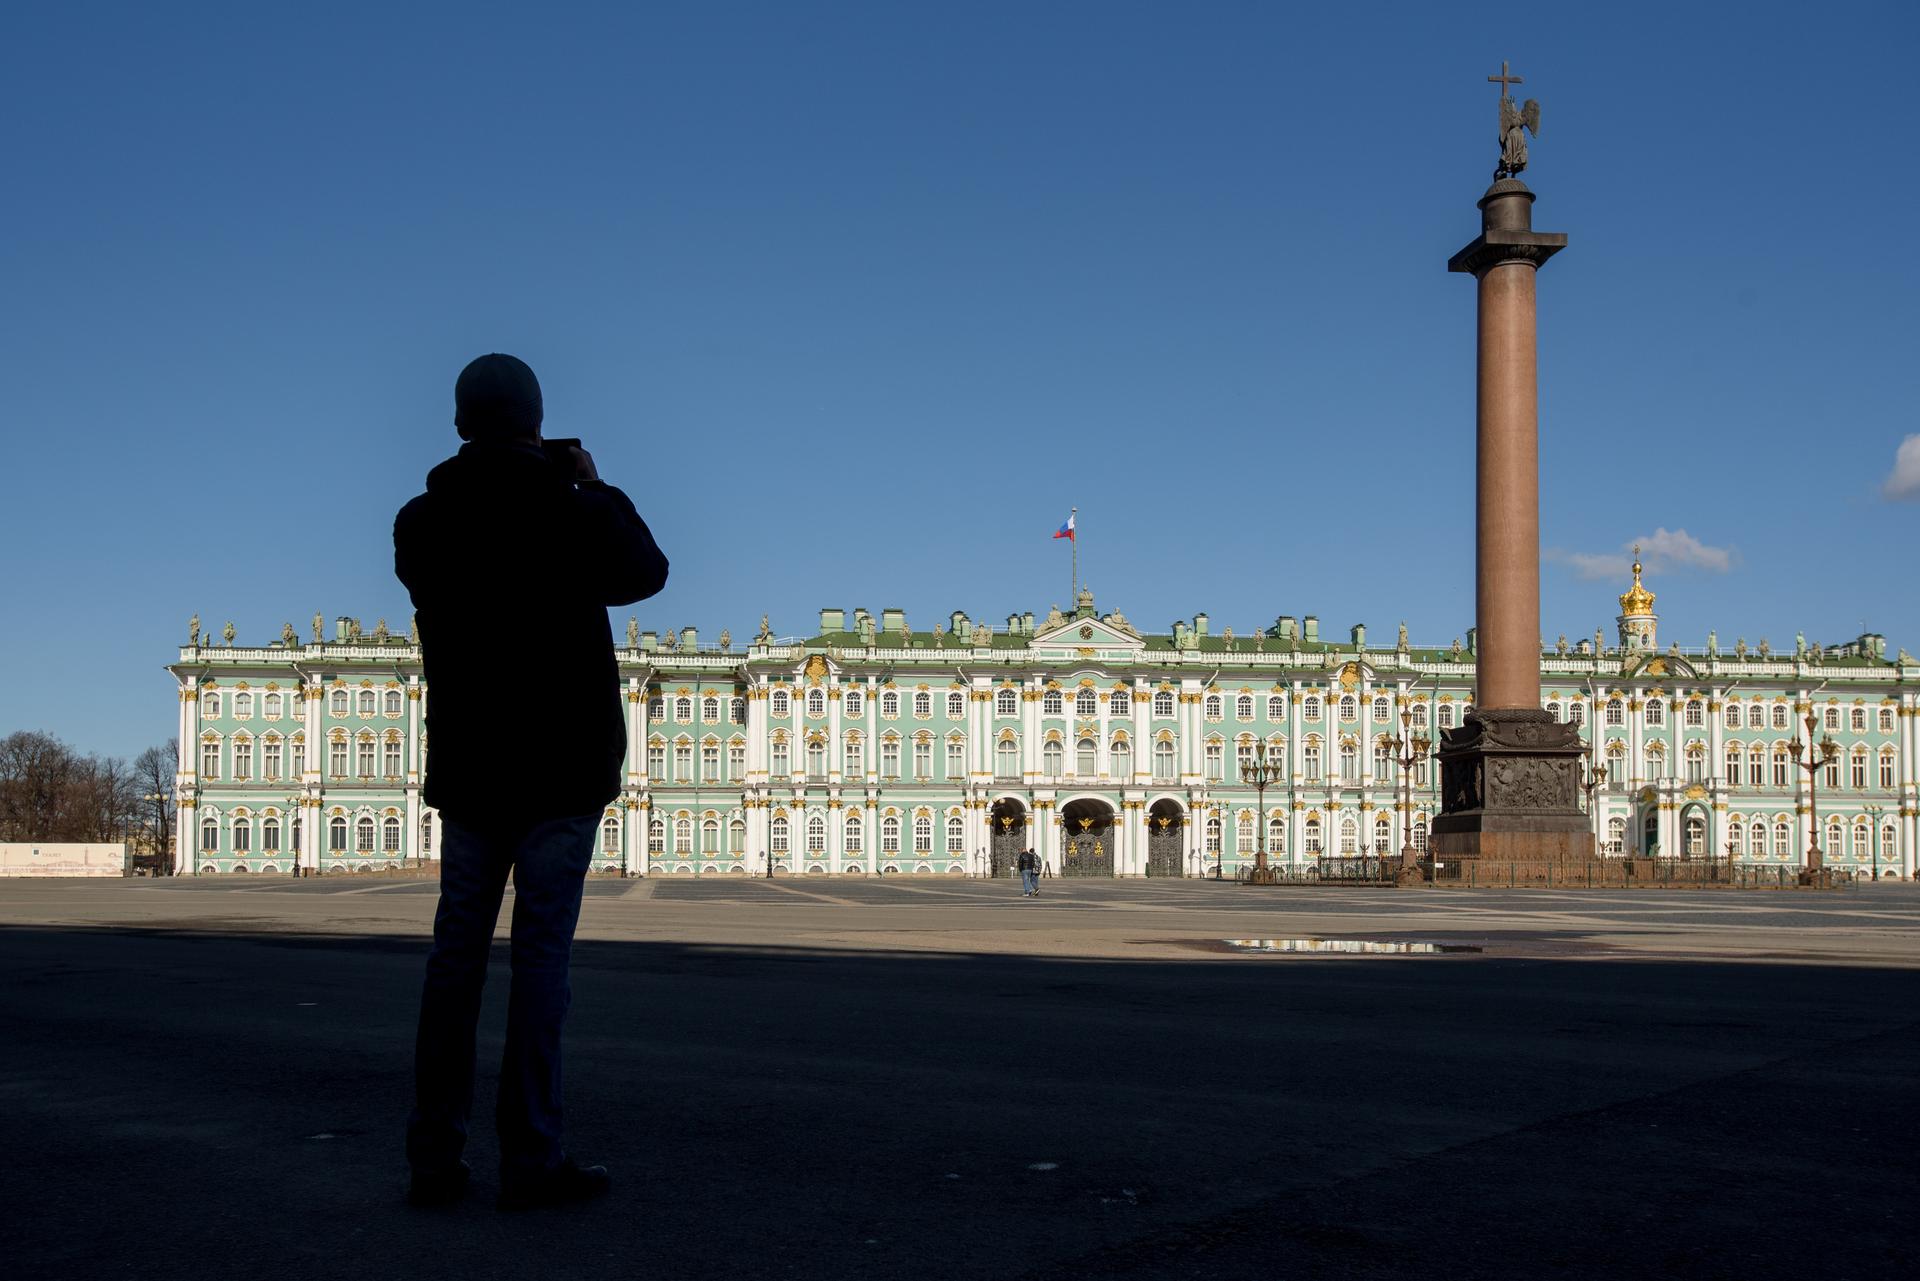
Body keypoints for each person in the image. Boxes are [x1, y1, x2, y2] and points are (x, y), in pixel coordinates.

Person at [397, 353, 668, 1211]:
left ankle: (434, 1155)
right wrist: (593, 482)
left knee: (455, 961)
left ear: (458, 424)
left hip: (473, 770)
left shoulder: (422, 521)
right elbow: (646, 572)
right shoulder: (569, 507)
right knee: (541, 958)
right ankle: (533, 1156)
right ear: (537, 421)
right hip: (560, 768)